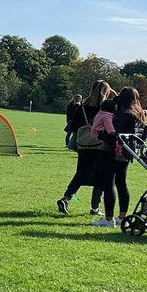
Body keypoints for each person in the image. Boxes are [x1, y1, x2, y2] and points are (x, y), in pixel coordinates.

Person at [92, 87, 147, 228]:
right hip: (127, 153)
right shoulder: (140, 115)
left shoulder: (122, 113)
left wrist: (100, 135)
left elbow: (113, 133)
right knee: (121, 183)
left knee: (108, 183)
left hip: (111, 152)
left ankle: (108, 218)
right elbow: (144, 135)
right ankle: (122, 216)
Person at [58, 82, 113, 217]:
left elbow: (74, 125)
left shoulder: (83, 106)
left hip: (84, 145)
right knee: (100, 176)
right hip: (100, 145)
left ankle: (66, 198)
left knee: (80, 173)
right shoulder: (106, 107)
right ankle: (95, 207)